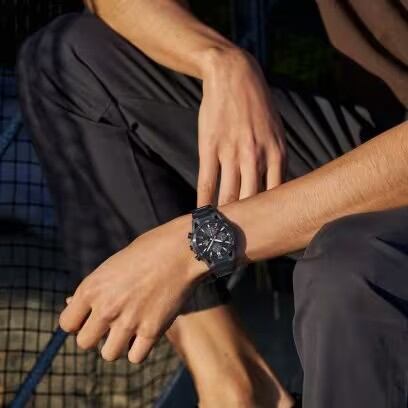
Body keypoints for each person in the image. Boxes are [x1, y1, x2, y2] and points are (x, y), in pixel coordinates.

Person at [17, 1, 407, 407]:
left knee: (348, 267)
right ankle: (238, 390)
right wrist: (220, 61)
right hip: (379, 134)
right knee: (68, 59)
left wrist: (195, 245)